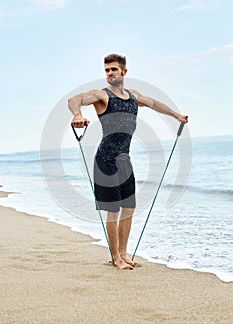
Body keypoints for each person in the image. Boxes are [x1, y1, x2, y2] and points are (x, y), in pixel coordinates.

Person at [68, 54, 188, 270]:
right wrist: (77, 113)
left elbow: (154, 104)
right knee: (113, 211)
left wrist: (176, 115)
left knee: (129, 208)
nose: (109, 73)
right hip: (105, 161)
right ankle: (116, 258)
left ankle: (124, 253)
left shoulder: (134, 98)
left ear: (124, 72)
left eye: (113, 69)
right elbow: (75, 99)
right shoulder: (101, 96)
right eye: (106, 70)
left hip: (125, 160)